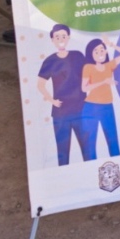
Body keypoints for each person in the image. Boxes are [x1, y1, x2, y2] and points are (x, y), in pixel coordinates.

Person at [36, 24, 93, 165]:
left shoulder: (78, 56)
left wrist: (89, 90)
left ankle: (92, 179)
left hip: (81, 110)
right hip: (60, 114)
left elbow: (89, 74)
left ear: (68, 37)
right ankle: (64, 182)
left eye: (63, 36)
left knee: (88, 151)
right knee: (62, 154)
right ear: (52, 39)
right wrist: (52, 100)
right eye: (57, 37)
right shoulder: (49, 61)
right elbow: (40, 85)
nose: (60, 39)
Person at [80, 37, 120, 159]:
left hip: (107, 107)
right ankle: (91, 171)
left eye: (102, 50)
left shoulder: (109, 65)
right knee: (90, 144)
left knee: (113, 142)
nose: (100, 53)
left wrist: (111, 44)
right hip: (90, 107)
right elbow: (84, 88)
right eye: (96, 51)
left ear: (106, 51)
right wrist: (104, 81)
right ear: (91, 54)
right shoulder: (88, 67)